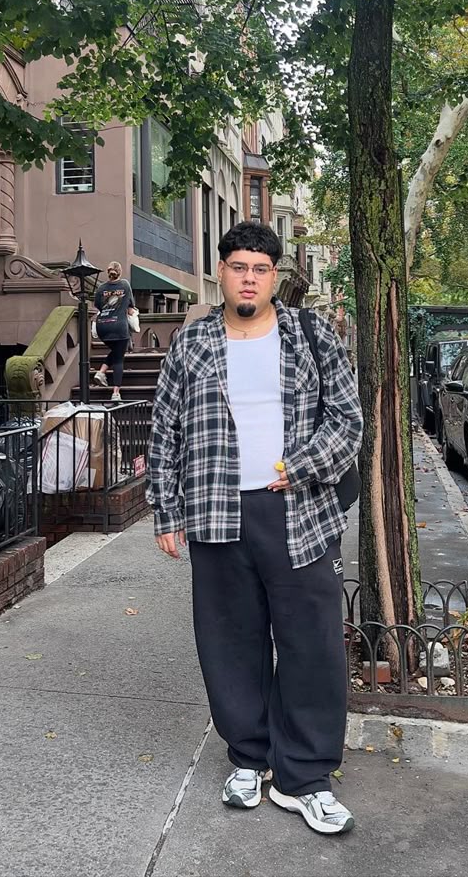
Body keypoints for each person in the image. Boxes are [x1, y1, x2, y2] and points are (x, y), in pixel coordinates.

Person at [147, 221, 363, 835]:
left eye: (260, 269)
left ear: (275, 276)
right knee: (230, 641)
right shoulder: (192, 343)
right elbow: (165, 431)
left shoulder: (311, 334)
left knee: (311, 645)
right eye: (239, 267)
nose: (249, 279)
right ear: (222, 272)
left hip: (300, 511)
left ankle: (306, 778)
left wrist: (303, 466)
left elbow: (348, 418)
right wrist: (166, 511)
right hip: (216, 512)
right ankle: (249, 758)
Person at [92, 261, 136, 402]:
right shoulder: (125, 285)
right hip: (119, 326)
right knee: (118, 358)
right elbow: (131, 307)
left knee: (116, 351)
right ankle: (116, 392)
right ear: (120, 272)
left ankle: (101, 372)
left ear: (108, 272)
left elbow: (98, 306)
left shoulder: (101, 288)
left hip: (103, 327)